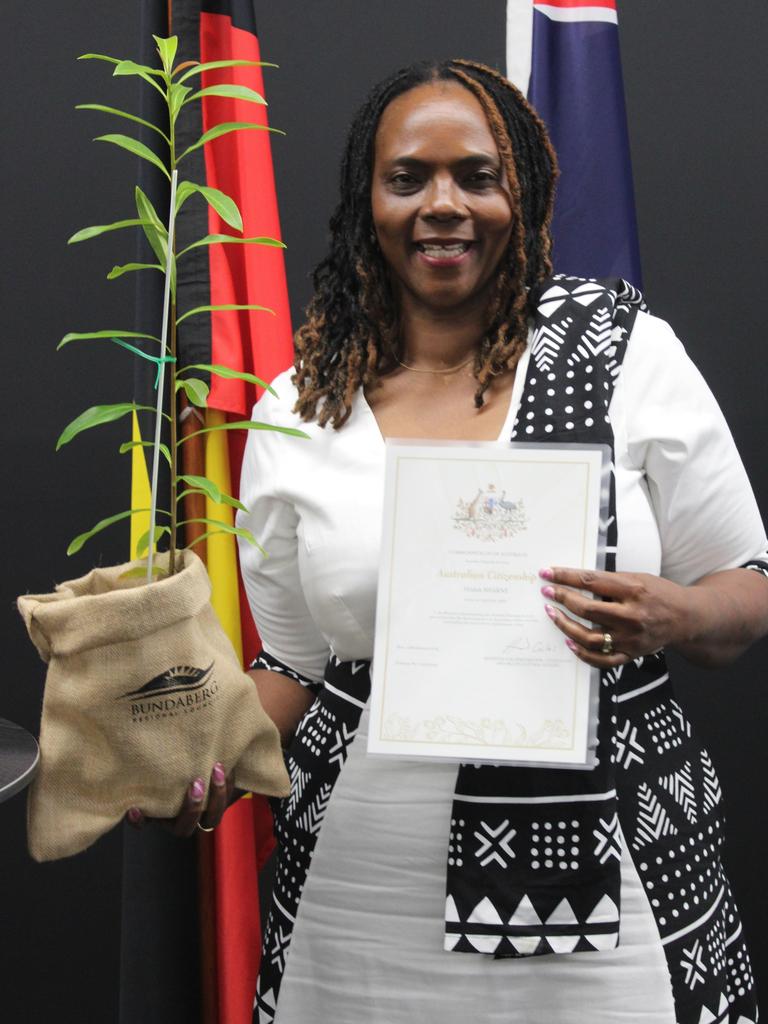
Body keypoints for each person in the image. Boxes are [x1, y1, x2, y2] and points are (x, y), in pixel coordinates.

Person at [134, 60, 768, 1023]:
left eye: (477, 176)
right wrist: (198, 763)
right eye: (408, 179)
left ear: (526, 192)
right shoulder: (302, 410)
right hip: (358, 905)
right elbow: (295, 672)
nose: (443, 205)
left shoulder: (624, 356)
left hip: (617, 901)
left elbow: (749, 590)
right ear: (367, 200)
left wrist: (676, 612)